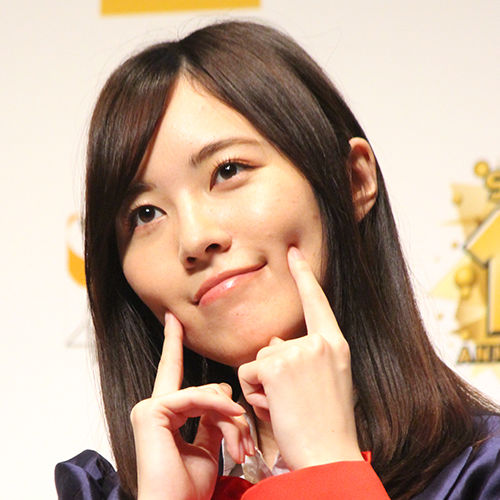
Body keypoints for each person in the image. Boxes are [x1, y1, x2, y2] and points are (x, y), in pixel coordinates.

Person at [55, 20, 500, 500]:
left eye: (228, 170)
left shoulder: (482, 474)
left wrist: (329, 468)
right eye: (145, 214)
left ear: (353, 181)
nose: (195, 238)